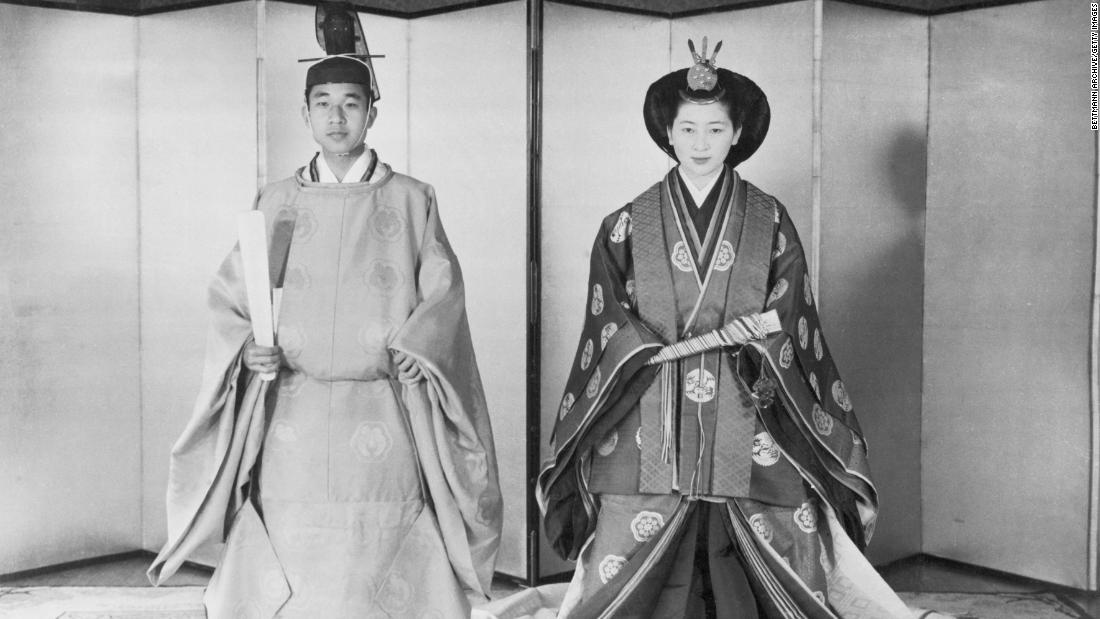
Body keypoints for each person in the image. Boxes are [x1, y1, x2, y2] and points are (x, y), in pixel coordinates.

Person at [536, 39, 923, 618]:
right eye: (688, 129)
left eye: (714, 130)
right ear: (668, 133)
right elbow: (605, 315)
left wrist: (757, 344)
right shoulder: (624, 224)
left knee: (783, 505)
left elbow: (792, 310)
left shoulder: (769, 219)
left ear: (737, 134)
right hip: (653, 402)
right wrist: (641, 349)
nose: (700, 144)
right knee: (629, 515)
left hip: (747, 397)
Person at [147, 9, 502, 617]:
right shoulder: (279, 200)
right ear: (305, 113)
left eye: (351, 103)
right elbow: (236, 294)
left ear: (372, 112)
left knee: (382, 542)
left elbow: (443, 295)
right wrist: (247, 347)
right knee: (290, 537)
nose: (337, 117)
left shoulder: (412, 199)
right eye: (323, 103)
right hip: (294, 405)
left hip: (383, 404)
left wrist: (422, 349)